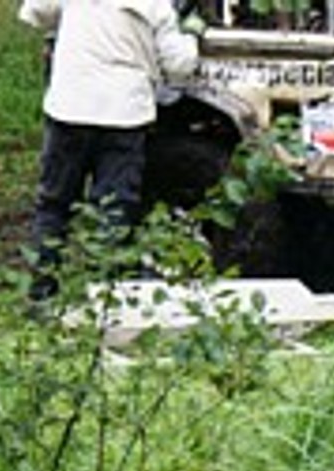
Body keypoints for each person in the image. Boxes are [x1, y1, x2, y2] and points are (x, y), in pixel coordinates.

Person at [17, 0, 203, 301]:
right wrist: (193, 34)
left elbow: (35, 13)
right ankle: (104, 297)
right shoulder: (157, 5)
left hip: (69, 107)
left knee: (53, 206)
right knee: (114, 211)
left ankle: (41, 294)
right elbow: (179, 66)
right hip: (124, 114)